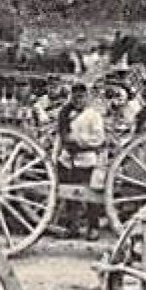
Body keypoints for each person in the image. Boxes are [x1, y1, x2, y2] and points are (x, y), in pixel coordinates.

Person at [55, 84, 107, 238]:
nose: (78, 100)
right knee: (70, 196)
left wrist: (78, 140)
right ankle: (74, 226)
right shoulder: (66, 113)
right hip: (68, 159)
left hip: (87, 159)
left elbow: (99, 138)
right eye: (75, 97)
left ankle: (93, 227)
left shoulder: (93, 115)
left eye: (81, 97)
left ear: (87, 97)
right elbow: (61, 134)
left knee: (91, 196)